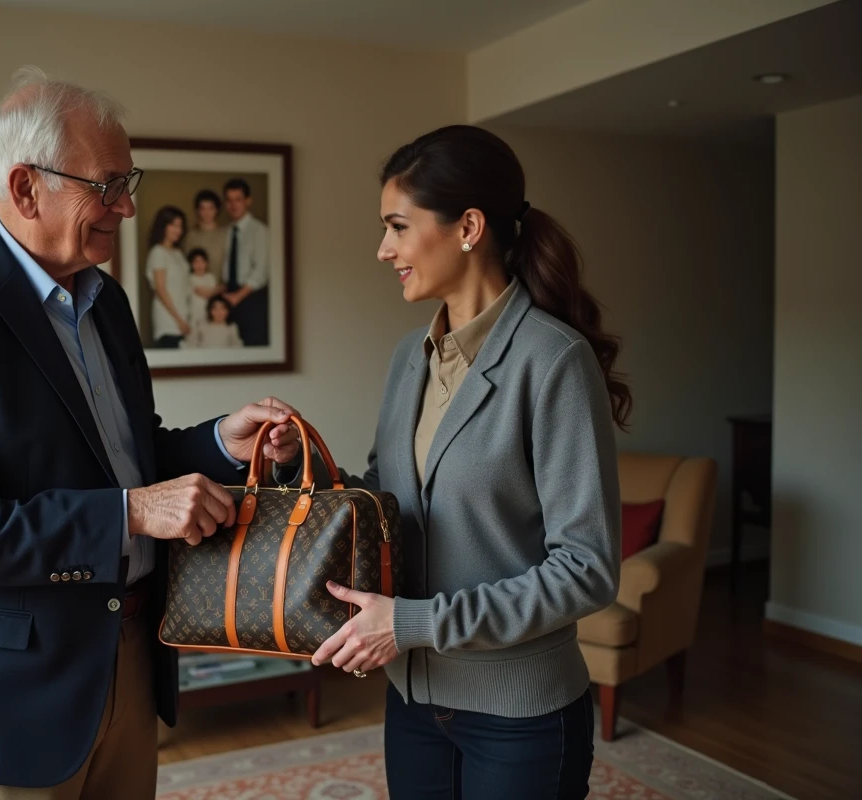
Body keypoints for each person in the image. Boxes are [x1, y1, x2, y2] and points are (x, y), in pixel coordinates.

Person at [0, 66, 300, 800]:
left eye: (128, 181)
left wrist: (224, 444)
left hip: (128, 657)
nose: (127, 207)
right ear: (25, 187)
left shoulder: (107, 303)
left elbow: (125, 459)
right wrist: (131, 514)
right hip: (6, 691)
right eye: (107, 184)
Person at [305, 125, 629, 799]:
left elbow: (588, 570)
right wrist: (302, 463)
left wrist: (413, 622)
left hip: (523, 716)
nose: (383, 248)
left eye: (398, 226)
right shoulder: (408, 359)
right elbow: (390, 506)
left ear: (468, 227)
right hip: (413, 703)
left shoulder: (554, 362)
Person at [220, 178, 270, 346]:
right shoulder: (227, 231)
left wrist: (238, 296)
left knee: (252, 344)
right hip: (229, 297)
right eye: (229, 200)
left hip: (251, 298)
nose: (233, 205)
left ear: (248, 201)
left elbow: (261, 271)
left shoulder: (260, 230)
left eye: (238, 199)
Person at [144, 205, 191, 347]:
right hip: (169, 319)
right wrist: (179, 320)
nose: (178, 230)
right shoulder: (158, 252)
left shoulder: (178, 253)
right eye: (174, 225)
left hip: (184, 315)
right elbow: (161, 289)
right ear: (163, 226)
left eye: (180, 226)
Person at [183, 188, 228, 279]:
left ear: (217, 210)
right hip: (196, 289)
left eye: (211, 208)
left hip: (222, 289)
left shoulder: (226, 234)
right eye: (202, 208)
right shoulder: (190, 236)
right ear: (197, 210)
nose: (206, 213)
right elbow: (186, 266)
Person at [184, 247, 223, 324]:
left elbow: (215, 295)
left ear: (206, 263)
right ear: (191, 264)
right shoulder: (190, 278)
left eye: (202, 261)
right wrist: (219, 288)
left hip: (209, 317)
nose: (199, 265)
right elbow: (205, 293)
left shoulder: (211, 277)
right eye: (196, 262)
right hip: (195, 318)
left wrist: (216, 290)